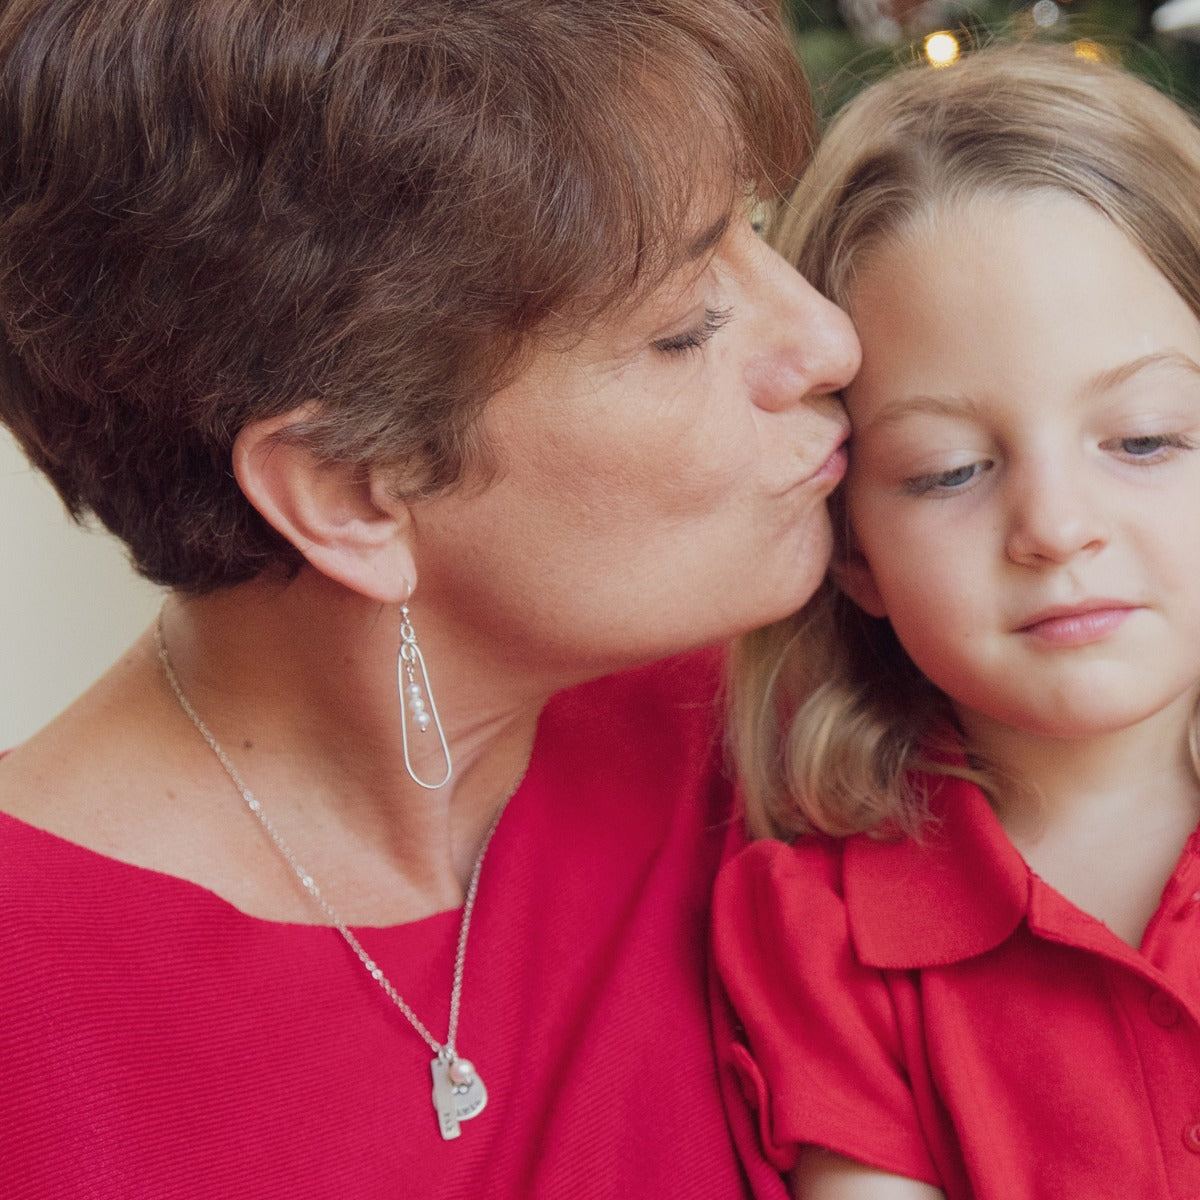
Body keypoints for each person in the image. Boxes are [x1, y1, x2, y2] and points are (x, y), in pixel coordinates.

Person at [0, 2, 860, 1197]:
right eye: (683, 329)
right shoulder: (30, 1019)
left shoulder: (807, 733)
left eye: (758, 230)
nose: (826, 339)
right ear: (355, 494)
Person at [713, 43, 1200, 1200]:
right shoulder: (814, 931)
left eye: (1142, 440)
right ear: (850, 550)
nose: (1055, 527)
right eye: (948, 471)